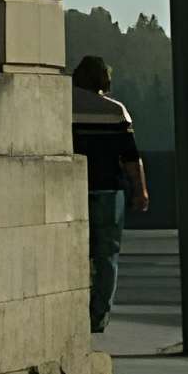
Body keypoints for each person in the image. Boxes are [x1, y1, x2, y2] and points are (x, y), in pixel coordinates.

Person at [71, 56, 147, 336]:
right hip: (107, 190)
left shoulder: (59, 106)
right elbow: (130, 157)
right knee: (106, 256)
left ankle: (72, 308)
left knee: (75, 253)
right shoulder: (115, 111)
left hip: (70, 191)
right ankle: (98, 316)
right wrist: (140, 191)